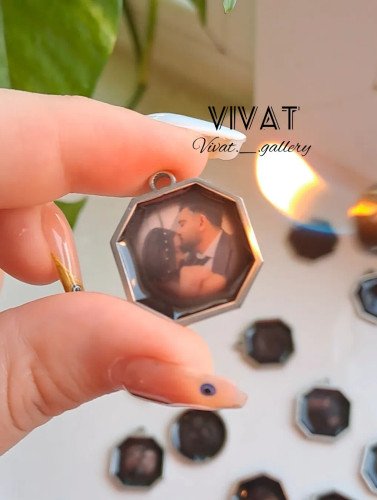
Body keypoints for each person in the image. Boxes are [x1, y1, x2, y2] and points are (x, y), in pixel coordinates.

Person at [0, 89, 247, 456]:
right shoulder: (177, 261)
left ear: (200, 219)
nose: (176, 234)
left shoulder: (221, 265)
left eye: (181, 224)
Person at [140, 227, 226, 302]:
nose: (182, 257)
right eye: (177, 251)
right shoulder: (189, 277)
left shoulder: (191, 273)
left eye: (182, 250)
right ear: (163, 255)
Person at [176, 197, 242, 285]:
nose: (178, 231)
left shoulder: (241, 253)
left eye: (182, 224)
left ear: (201, 222)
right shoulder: (189, 259)